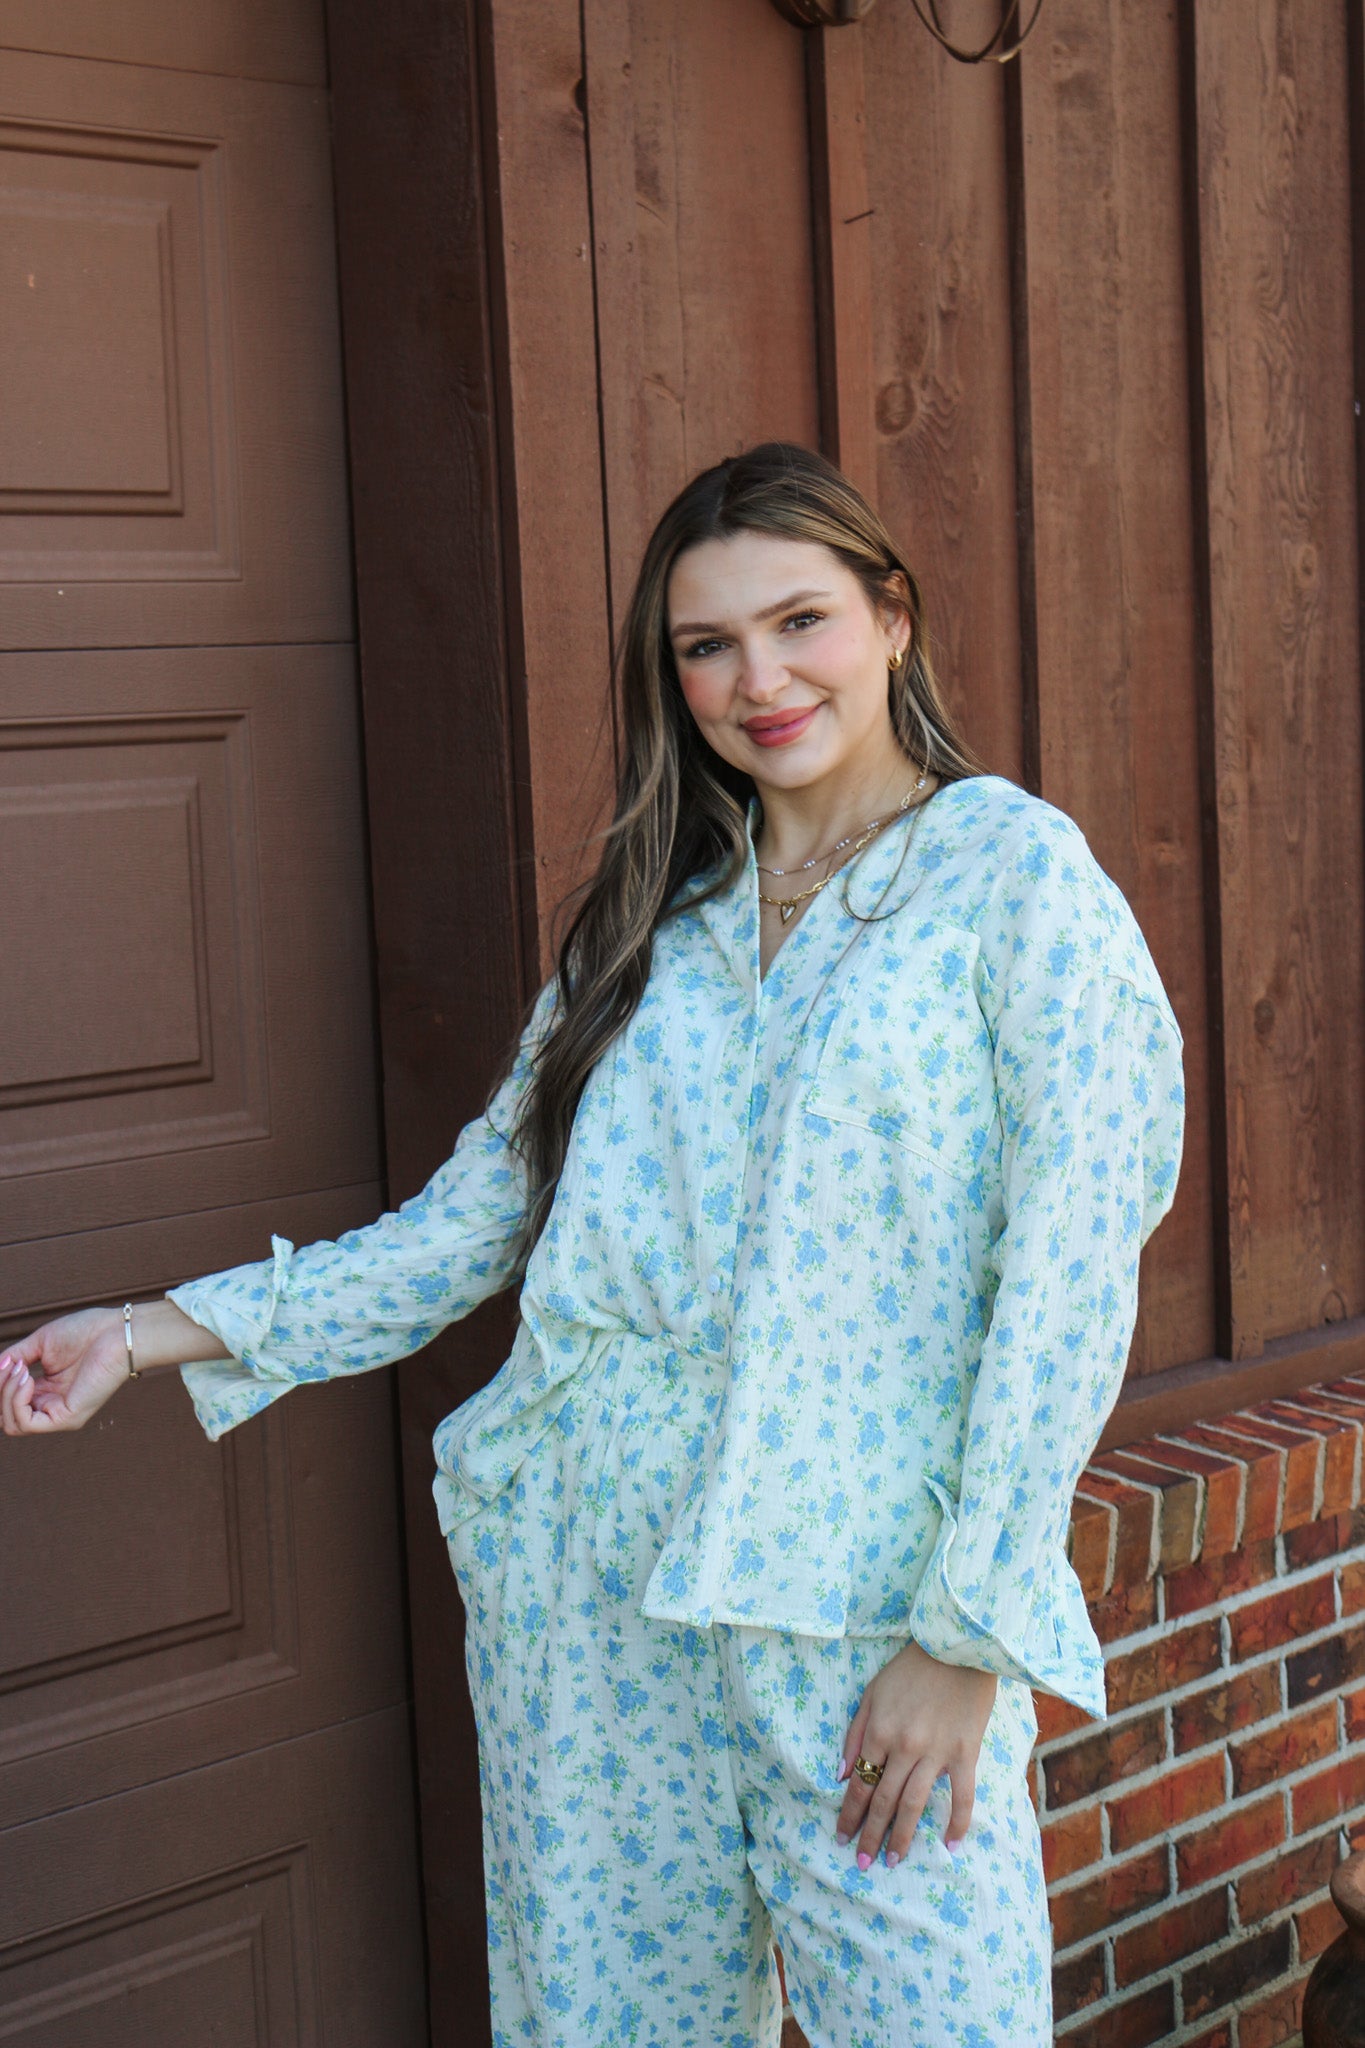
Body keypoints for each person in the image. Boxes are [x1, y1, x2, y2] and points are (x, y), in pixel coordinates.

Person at [1, 443, 1184, 2047]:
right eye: (704, 645)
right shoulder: (657, 920)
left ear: (890, 619)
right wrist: (146, 1332)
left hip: (861, 1615)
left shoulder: (1012, 878)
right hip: (597, 1596)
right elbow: (473, 1223)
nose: (755, 680)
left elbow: (1068, 1264)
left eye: (797, 622)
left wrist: (965, 1636)